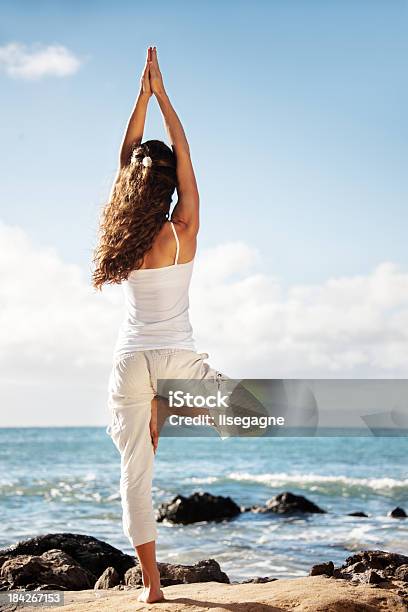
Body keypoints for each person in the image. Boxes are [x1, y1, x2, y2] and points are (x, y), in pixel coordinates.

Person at [92, 46, 226, 604]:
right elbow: (186, 155)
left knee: (135, 476)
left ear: (132, 185)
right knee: (233, 403)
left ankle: (152, 590)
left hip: (130, 363)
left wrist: (139, 100)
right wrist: (163, 98)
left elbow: (126, 157)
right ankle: (170, 402)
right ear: (171, 183)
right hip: (177, 359)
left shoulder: (124, 235)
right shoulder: (182, 229)